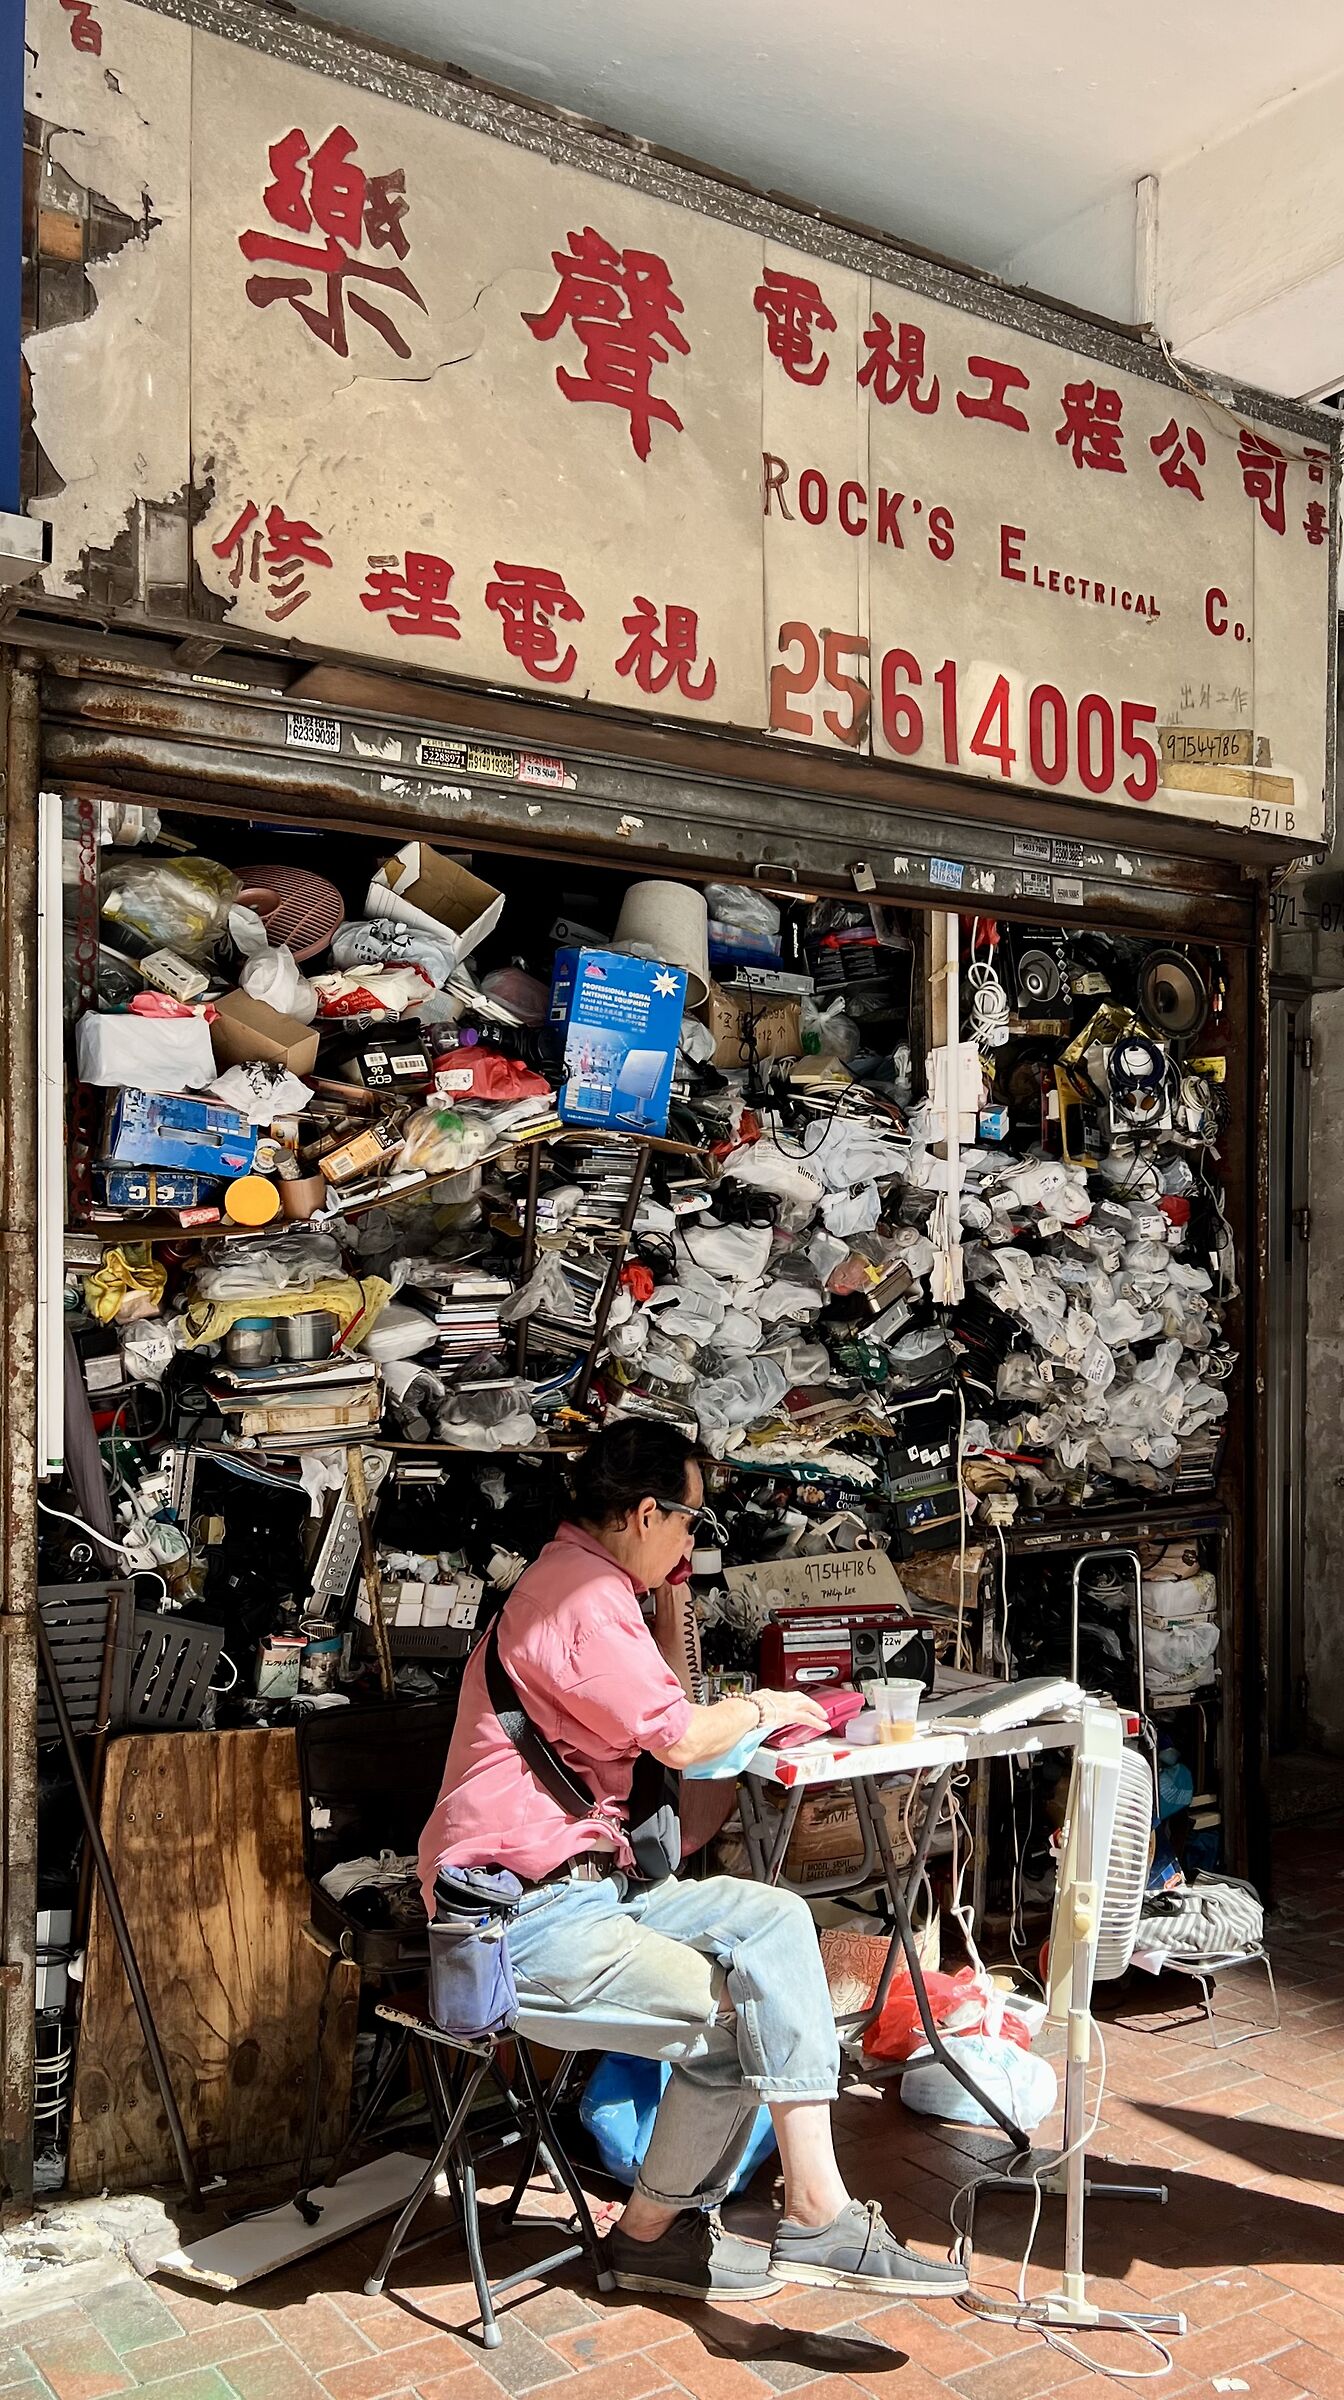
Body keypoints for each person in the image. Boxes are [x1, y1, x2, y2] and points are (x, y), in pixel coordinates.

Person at [419, 1418, 968, 2303]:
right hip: (523, 1921)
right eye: (689, 1521)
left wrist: (673, 1603)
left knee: (777, 1918)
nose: (693, 1539)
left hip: (591, 1891)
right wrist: (764, 1707)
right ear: (643, 1513)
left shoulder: (592, 1585)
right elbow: (679, 1737)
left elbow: (664, 1705)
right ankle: (812, 2217)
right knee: (750, 2017)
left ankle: (654, 2238)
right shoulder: (579, 1601)